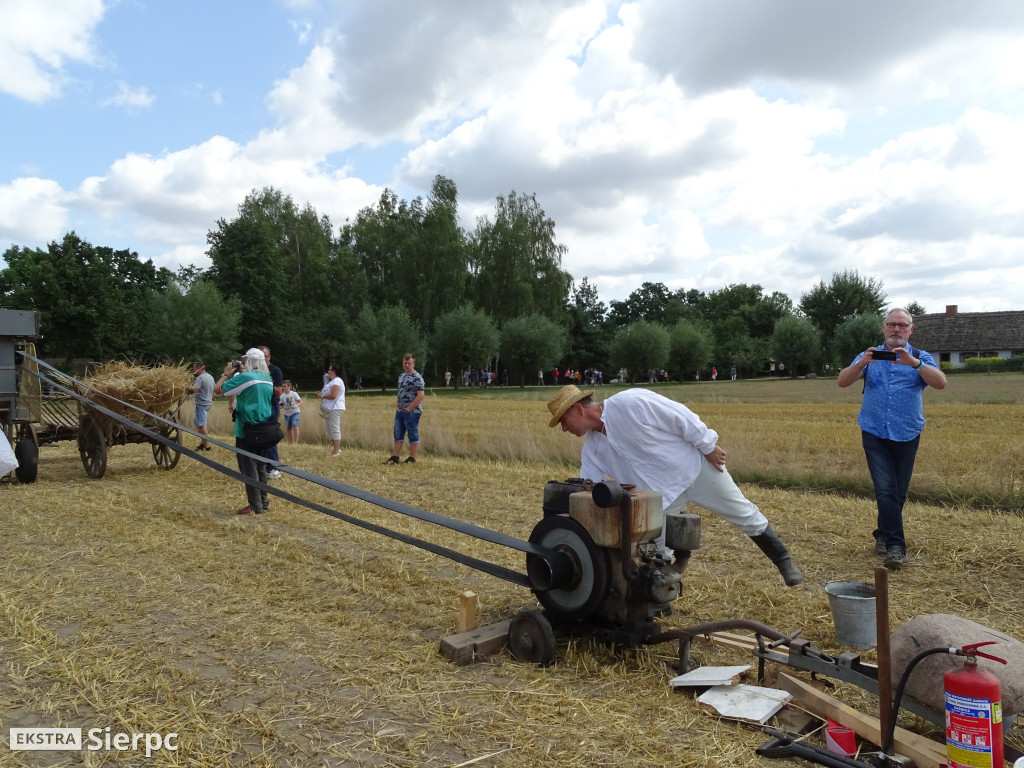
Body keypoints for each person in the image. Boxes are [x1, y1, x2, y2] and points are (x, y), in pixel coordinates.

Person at [545, 384, 804, 586]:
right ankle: (659, 595)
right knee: (655, 550)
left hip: (695, 471)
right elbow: (589, 485)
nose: (564, 429)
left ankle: (784, 562)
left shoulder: (629, 403)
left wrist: (708, 445)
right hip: (661, 498)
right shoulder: (592, 449)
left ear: (577, 410)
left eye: (563, 421)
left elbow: (678, 416)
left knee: (743, 513)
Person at [837, 307, 947, 569]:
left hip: (907, 432)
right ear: (884, 328)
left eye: (902, 325)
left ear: (911, 329)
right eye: (891, 324)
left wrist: (915, 364)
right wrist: (861, 364)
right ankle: (897, 547)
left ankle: (883, 536)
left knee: (897, 492)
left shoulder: (920, 357)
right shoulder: (870, 356)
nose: (896, 329)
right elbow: (842, 381)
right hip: (874, 431)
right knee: (885, 489)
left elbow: (941, 383)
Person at [215, 349, 274, 515]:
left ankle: (255, 506)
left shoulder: (246, 378)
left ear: (248, 361)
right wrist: (240, 372)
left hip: (246, 429)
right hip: (265, 428)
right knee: (261, 466)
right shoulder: (267, 378)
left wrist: (226, 373)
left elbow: (218, 389)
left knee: (248, 468)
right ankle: (263, 501)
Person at [385, 353, 425, 465]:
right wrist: (398, 406)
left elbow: (421, 395)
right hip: (400, 410)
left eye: (409, 363)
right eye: (405, 363)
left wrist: (410, 408)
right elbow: (400, 392)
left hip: (412, 411)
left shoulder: (417, 377)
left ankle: (412, 458)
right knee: (398, 432)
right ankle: (395, 457)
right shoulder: (401, 376)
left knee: (412, 433)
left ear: (413, 364)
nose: (407, 365)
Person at [260, 346, 284, 478]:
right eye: (261, 356)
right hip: (259, 406)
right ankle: (263, 465)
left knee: (270, 436)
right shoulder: (255, 371)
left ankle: (274, 467)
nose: (264, 359)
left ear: (269, 357)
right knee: (259, 436)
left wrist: (263, 383)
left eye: (266, 356)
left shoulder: (275, 371)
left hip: (271, 406)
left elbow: (279, 391)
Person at [315, 363, 346, 457]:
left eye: (330, 370)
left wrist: (322, 395)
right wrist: (321, 394)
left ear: (334, 371)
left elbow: (333, 395)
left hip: (334, 408)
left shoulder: (336, 381)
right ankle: (335, 449)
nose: (328, 371)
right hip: (330, 408)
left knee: (334, 429)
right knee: (329, 429)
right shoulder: (332, 381)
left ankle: (336, 451)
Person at [191, 361, 215, 451]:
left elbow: (195, 389)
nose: (194, 371)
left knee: (201, 425)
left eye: (194, 369)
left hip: (202, 404)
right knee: (197, 422)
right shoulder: (210, 377)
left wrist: (187, 388)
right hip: (208, 402)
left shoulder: (200, 378)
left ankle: (207, 446)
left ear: (198, 368)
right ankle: (203, 443)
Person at [280, 380, 303, 445]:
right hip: (287, 414)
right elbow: (281, 404)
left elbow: (301, 401)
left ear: (289, 386)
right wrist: (280, 407)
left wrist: (296, 405)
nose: (283, 388)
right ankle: (291, 442)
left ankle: (296, 443)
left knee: (295, 425)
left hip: (295, 412)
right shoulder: (282, 396)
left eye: (285, 386)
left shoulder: (293, 394)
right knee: (289, 428)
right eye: (282, 386)